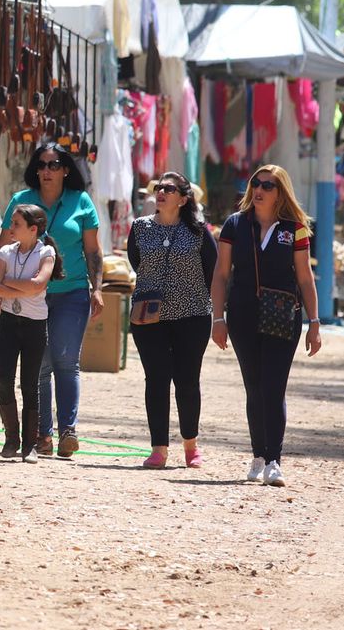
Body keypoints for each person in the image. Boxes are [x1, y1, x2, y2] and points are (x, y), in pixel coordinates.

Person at [211, 164, 322, 487]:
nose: (259, 190)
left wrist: (314, 323)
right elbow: (221, 274)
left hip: (283, 314)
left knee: (274, 387)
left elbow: (305, 277)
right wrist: (217, 318)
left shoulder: (294, 228)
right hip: (242, 314)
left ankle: (274, 460)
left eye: (268, 186)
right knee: (254, 387)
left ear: (280, 192)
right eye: (255, 183)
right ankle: (258, 455)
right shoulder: (235, 224)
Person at [0, 142, 103, 458]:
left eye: (54, 165)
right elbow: (2, 247)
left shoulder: (80, 200)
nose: (47, 171)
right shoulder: (21, 200)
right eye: (42, 165)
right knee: (40, 367)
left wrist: (97, 288)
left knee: (66, 361)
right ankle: (42, 434)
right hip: (29, 297)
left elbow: (93, 251)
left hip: (71, 292)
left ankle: (68, 431)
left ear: (66, 170)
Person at [127, 172, 218, 469]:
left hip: (192, 315)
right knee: (156, 379)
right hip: (149, 317)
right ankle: (159, 449)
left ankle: (191, 445)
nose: (161, 192)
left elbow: (212, 270)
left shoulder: (199, 231)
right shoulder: (140, 228)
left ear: (183, 199)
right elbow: (136, 262)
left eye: (169, 188)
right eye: (159, 188)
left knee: (187, 381)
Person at [0, 204, 56, 462]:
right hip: (9, 322)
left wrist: (9, 284)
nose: (11, 228)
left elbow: (39, 284)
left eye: (16, 224)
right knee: (4, 380)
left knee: (30, 384)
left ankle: (30, 445)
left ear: (33, 229)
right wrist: (23, 288)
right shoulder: (5, 251)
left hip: (34, 324)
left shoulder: (45, 252)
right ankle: (11, 438)